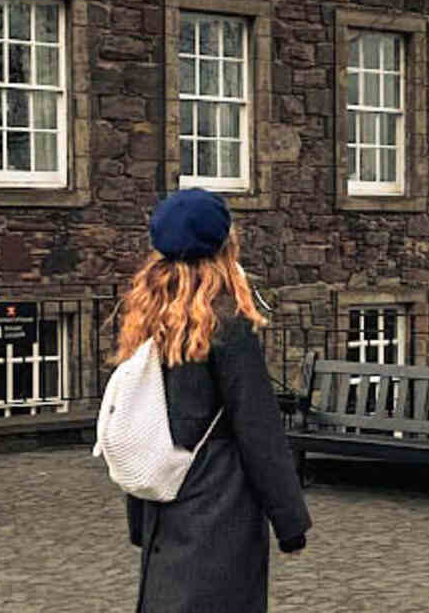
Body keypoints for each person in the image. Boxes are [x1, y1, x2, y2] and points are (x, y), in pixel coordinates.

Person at [117, 189, 311, 613]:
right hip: (220, 499)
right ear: (224, 245)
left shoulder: (147, 316)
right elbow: (258, 428)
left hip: (163, 497)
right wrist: (290, 521)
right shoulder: (226, 324)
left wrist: (138, 517)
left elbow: (141, 419)